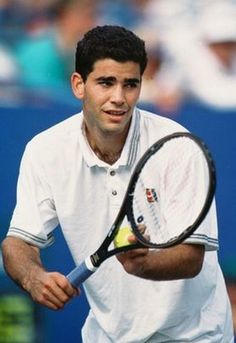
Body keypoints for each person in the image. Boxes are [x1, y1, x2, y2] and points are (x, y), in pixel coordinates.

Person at [1, 25, 234, 342]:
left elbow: (191, 258)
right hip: (109, 335)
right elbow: (18, 242)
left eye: (130, 84)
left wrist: (145, 264)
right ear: (78, 85)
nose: (119, 98)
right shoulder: (44, 151)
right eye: (106, 83)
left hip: (195, 335)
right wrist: (34, 277)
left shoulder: (178, 147)